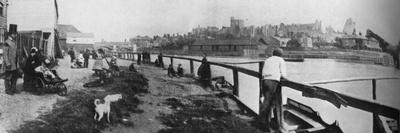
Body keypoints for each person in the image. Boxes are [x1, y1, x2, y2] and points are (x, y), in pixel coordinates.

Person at [258, 48, 286, 132]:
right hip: (272, 81)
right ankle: (263, 122)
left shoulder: (268, 60)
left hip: (264, 81)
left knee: (266, 101)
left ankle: (266, 122)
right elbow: (284, 74)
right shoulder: (281, 60)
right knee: (268, 102)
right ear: (281, 54)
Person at [1, 24, 20, 95]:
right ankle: (7, 90)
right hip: (9, 64)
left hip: (14, 63)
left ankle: (13, 88)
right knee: (8, 77)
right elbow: (5, 54)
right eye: (15, 34)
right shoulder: (7, 42)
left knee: (15, 77)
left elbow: (16, 54)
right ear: (11, 34)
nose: (16, 35)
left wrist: (17, 63)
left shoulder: (14, 42)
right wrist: (7, 63)